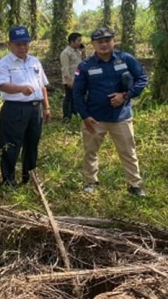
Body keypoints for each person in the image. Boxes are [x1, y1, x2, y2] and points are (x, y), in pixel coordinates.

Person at [73, 27, 148, 196]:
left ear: (114, 41)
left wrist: (125, 95)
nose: (104, 45)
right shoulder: (85, 66)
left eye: (107, 41)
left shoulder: (126, 59)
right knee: (90, 152)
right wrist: (85, 116)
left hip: (121, 117)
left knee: (128, 151)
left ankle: (134, 185)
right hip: (95, 118)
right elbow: (77, 94)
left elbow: (142, 79)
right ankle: (91, 182)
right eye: (99, 42)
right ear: (93, 44)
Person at [0, 25, 51, 187]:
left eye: (25, 43)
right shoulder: (3, 64)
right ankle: (8, 180)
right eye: (18, 44)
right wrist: (21, 89)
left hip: (35, 109)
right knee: (11, 144)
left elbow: (42, 86)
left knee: (32, 143)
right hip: (14, 109)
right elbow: (2, 85)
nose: (22, 47)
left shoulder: (35, 62)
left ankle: (29, 177)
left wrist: (46, 107)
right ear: (9, 44)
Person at [59, 32, 83, 121]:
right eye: (78, 40)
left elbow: (81, 64)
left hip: (78, 78)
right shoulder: (65, 53)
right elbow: (65, 68)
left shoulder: (78, 51)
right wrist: (69, 81)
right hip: (70, 79)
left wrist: (83, 53)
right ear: (72, 42)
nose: (80, 42)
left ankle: (74, 113)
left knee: (75, 97)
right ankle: (66, 116)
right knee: (68, 97)